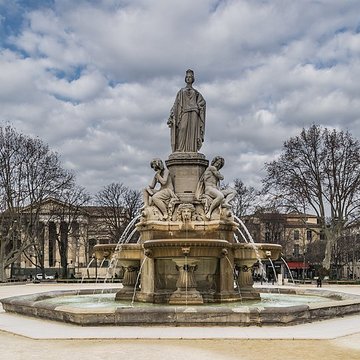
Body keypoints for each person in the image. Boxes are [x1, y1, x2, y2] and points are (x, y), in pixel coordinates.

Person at [167, 69, 206, 152]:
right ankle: (180, 148)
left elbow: (203, 102)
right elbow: (176, 104)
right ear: (185, 79)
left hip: (194, 113)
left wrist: (199, 106)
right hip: (184, 112)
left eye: (190, 77)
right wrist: (172, 114)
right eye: (187, 77)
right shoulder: (181, 92)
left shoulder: (196, 92)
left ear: (193, 79)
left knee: (192, 131)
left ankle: (192, 149)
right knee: (182, 128)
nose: (188, 78)